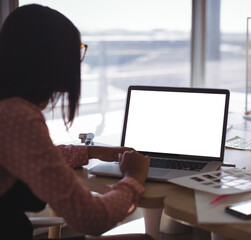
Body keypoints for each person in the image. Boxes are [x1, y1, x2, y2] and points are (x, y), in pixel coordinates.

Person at [0, 4, 152, 240]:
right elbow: (91, 218)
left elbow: (31, 156)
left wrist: (90, 151)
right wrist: (133, 178)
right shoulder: (17, 115)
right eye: (75, 50)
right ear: (50, 58)